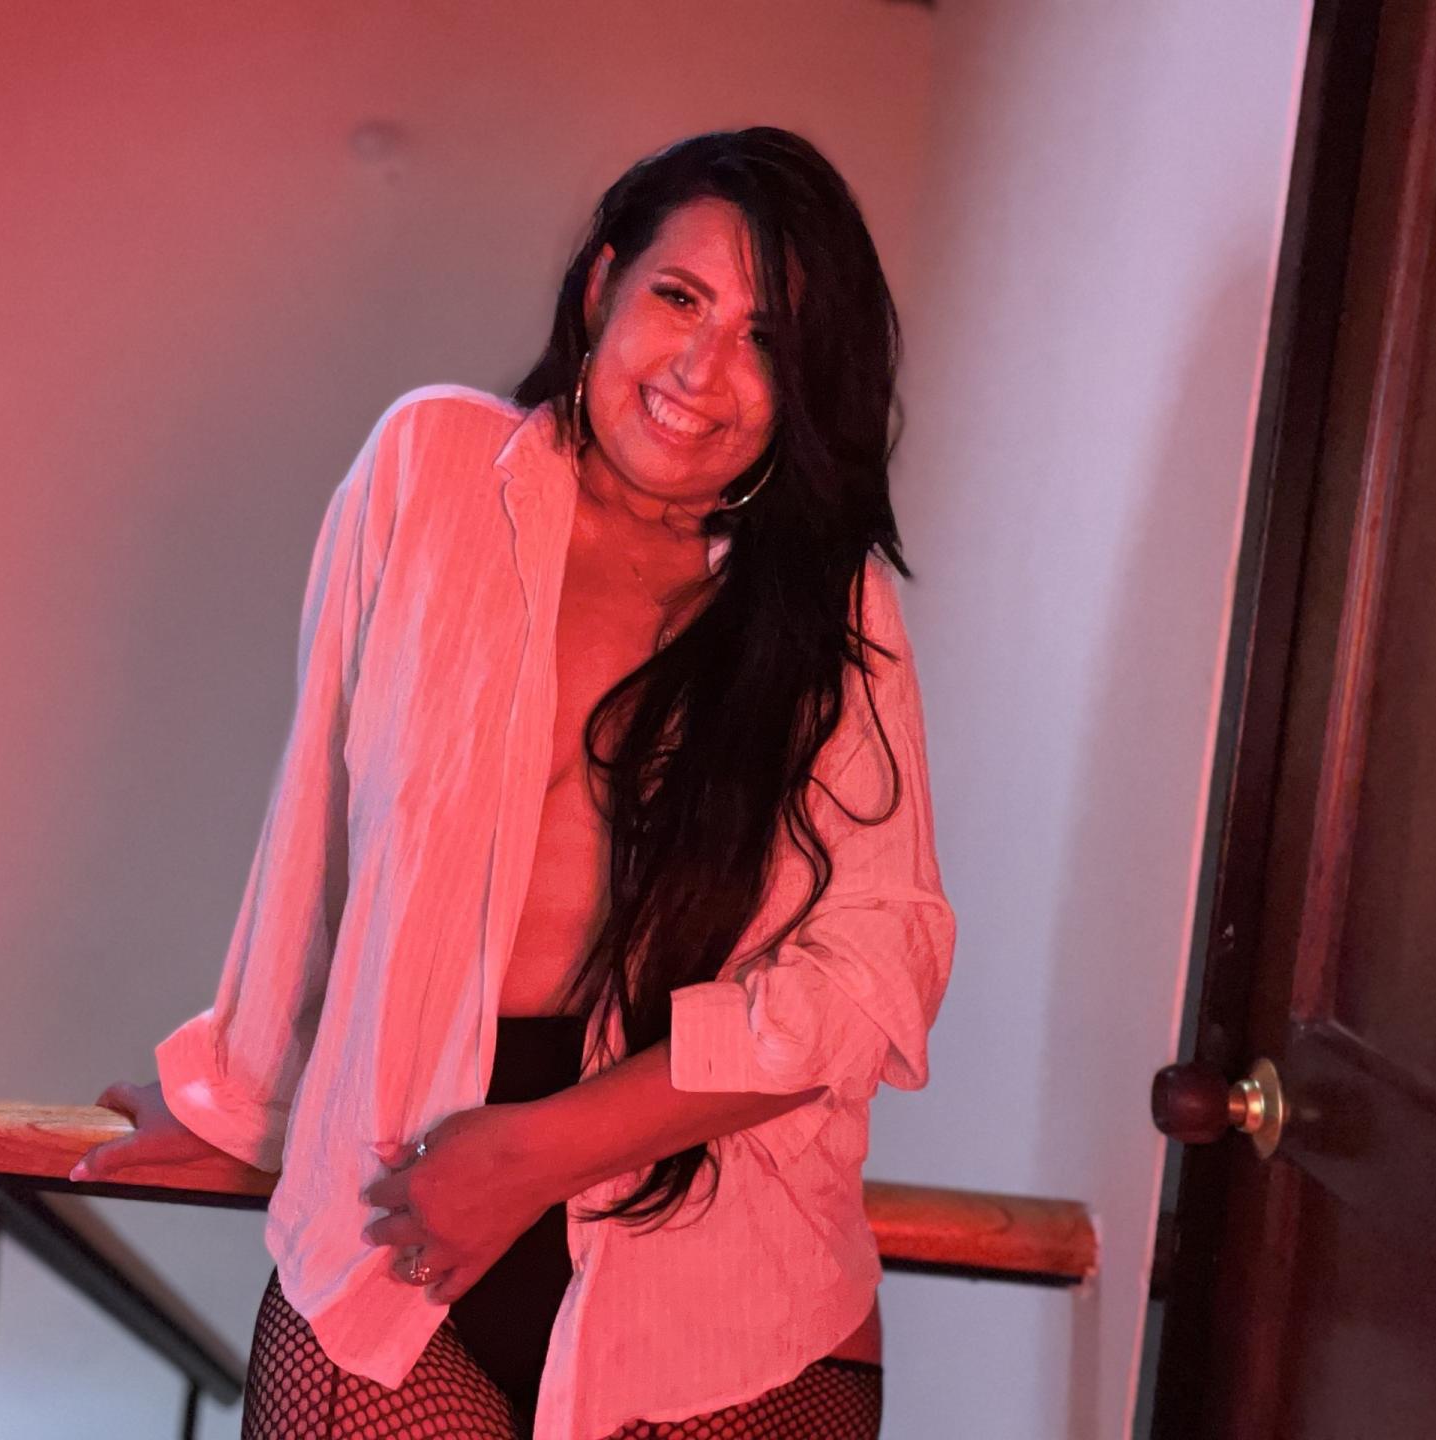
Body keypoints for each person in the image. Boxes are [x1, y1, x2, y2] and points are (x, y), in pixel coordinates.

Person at [72, 127, 955, 1440]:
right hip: (393, 1204)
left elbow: (873, 969)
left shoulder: (833, 613)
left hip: (716, 1262)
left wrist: (542, 1150)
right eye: (680, 298)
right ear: (602, 288)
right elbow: (319, 826)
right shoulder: (429, 468)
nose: (702, 369)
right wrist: (244, 1091)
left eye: (766, 339)